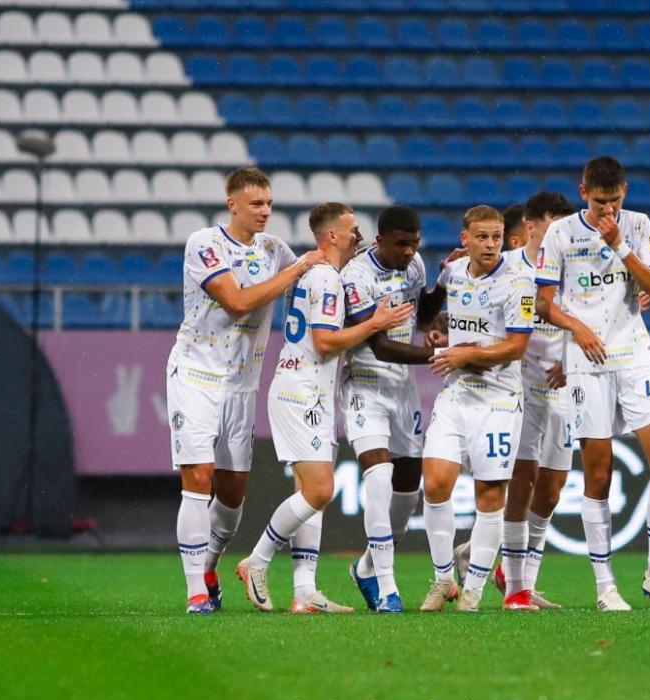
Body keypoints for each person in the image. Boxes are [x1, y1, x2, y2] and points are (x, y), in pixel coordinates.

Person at [235, 203, 413, 614]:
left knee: (309, 495)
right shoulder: (328, 278)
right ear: (332, 235)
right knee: (320, 491)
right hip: (304, 392)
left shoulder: (309, 271)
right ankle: (257, 560)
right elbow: (325, 341)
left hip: (304, 388)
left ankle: (305, 591)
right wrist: (375, 323)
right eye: (352, 229)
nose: (358, 236)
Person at [166, 166, 319, 614]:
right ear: (232, 204)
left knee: (232, 494)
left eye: (269, 203)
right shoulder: (204, 243)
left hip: (242, 383)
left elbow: (317, 275)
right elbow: (236, 302)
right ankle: (196, 591)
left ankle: (210, 567)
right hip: (195, 374)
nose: (265, 211)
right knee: (198, 478)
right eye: (256, 203)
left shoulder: (273, 249)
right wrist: (297, 269)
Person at [536, 157, 650, 611]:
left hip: (635, 356)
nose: (607, 210)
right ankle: (605, 588)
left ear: (625, 192)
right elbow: (543, 304)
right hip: (588, 361)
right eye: (600, 201)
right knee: (599, 474)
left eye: (615, 200)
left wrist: (620, 245)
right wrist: (577, 328)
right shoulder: (560, 234)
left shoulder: (637, 225)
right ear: (583, 192)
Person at [455, 191, 575, 610]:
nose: (560, 236)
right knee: (521, 484)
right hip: (519, 387)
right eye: (553, 227)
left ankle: (505, 568)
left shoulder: (574, 265)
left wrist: (572, 360)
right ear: (530, 227)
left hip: (562, 389)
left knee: (552, 491)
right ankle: (518, 587)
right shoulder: (507, 265)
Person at [419, 205, 535, 612]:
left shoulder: (518, 282)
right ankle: (443, 580)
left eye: (496, 237)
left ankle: (473, 590)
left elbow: (517, 346)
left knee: (489, 494)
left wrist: (465, 353)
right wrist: (443, 333)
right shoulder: (452, 273)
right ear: (464, 239)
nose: (490, 245)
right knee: (435, 483)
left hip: (498, 400)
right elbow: (441, 316)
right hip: (456, 394)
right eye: (482, 237)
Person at [339, 205, 450, 613]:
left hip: (402, 389)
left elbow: (422, 318)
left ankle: (366, 567)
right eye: (401, 244)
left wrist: (441, 285)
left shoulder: (414, 265)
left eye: (414, 244)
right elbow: (380, 346)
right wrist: (440, 355)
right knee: (379, 475)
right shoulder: (356, 277)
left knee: (407, 491)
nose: (408, 251)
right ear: (380, 240)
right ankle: (388, 588)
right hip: (365, 382)